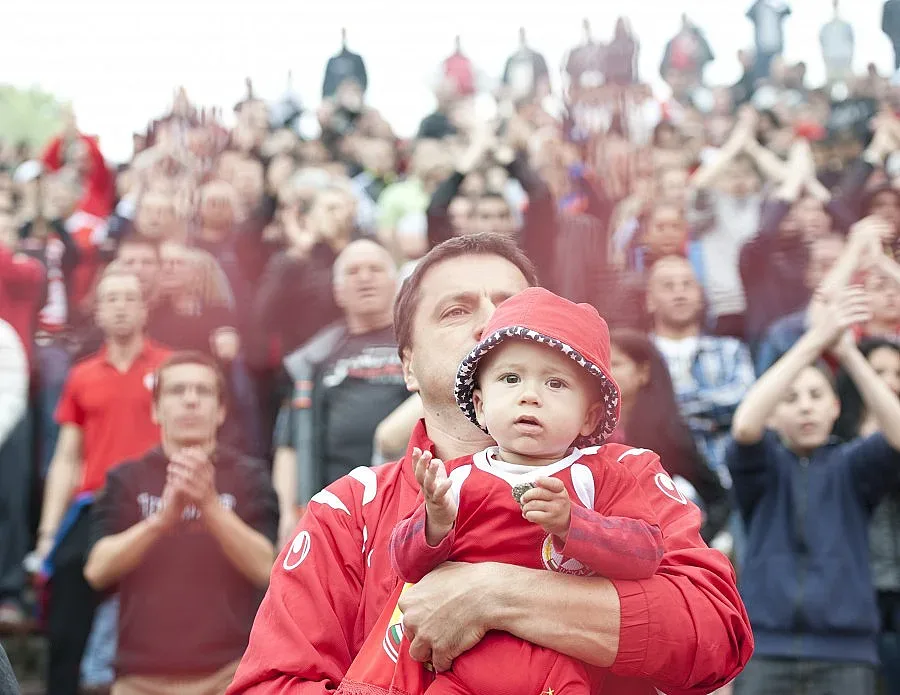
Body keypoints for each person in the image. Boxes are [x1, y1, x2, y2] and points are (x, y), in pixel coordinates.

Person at [226, 233, 752, 695]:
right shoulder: (347, 508)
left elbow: (716, 635)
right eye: (456, 310)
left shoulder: (624, 472)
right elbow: (269, 685)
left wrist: (496, 594)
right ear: (406, 365)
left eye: (512, 306)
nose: (492, 323)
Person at [382, 288, 664, 694]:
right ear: (479, 405)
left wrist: (575, 524)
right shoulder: (455, 478)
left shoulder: (600, 476)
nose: (529, 395)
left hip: (562, 667)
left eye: (555, 383)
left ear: (589, 416)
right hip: (461, 669)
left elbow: (647, 552)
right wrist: (434, 524)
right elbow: (406, 567)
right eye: (510, 378)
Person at [729, 286, 900, 695]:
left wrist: (848, 354)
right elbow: (744, 426)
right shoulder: (764, 464)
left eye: (816, 396)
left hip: (847, 655)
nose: (805, 406)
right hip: (764, 651)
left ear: (835, 407)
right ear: (775, 413)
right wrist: (813, 342)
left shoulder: (854, 465)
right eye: (791, 398)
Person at [84, 351, 278, 695]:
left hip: (230, 674)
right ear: (156, 410)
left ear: (220, 411)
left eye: (203, 392)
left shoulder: (250, 477)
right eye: (177, 391)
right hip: (138, 680)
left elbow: (267, 568)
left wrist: (210, 506)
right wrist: (162, 520)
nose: (191, 400)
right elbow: (97, 569)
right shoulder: (125, 478)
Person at [35, 267, 170, 695]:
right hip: (93, 507)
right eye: (111, 298)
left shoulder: (171, 368)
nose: (121, 307)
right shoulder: (82, 375)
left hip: (155, 505)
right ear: (98, 310)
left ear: (145, 308)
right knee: (65, 622)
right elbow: (66, 458)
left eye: (130, 298)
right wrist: (47, 533)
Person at [272, 239, 409, 545]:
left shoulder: (419, 343)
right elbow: (289, 444)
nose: (364, 277)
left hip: (409, 502)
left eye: (374, 268)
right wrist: (286, 513)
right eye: (353, 271)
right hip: (336, 508)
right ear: (337, 292)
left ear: (395, 282)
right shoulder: (314, 358)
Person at [608, 329, 730, 544]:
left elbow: (719, 498)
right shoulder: (587, 428)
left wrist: (691, 540)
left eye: (616, 364)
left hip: (646, 547)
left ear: (643, 372)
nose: (606, 371)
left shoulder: (669, 434)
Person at [832, 339, 900, 694]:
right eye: (878, 373)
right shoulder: (831, 443)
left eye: (898, 373)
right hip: (853, 594)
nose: (890, 382)